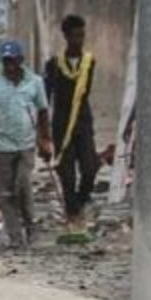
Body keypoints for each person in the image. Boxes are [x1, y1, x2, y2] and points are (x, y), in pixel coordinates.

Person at [0, 40, 52, 250]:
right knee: (6, 193)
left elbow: (43, 112)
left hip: (26, 143)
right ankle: (15, 236)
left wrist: (45, 140)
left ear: (21, 61)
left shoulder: (35, 82)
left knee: (23, 185)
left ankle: (31, 227)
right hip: (3, 144)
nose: (9, 67)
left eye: (13, 62)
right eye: (6, 61)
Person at [43, 15, 100, 230]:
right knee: (66, 173)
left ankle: (79, 203)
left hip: (83, 123)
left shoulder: (89, 62)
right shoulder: (54, 64)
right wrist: (44, 131)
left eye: (82, 35)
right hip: (62, 124)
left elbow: (84, 94)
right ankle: (73, 216)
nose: (79, 40)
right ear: (65, 36)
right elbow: (46, 96)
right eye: (75, 36)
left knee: (90, 168)